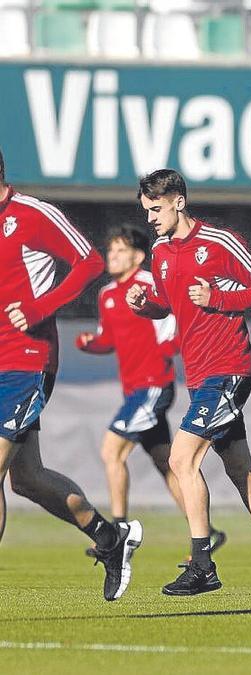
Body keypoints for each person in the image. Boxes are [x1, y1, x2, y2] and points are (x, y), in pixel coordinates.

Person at [128, 169, 251, 596]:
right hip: (198, 375)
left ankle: (202, 565)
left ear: (178, 201)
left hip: (228, 369)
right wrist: (145, 305)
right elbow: (167, 306)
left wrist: (218, 299)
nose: (151, 218)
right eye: (146, 211)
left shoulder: (220, 242)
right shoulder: (160, 251)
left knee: (181, 460)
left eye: (156, 209)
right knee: (239, 470)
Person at [0, 147, 141, 601]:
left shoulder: (33, 214)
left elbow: (91, 262)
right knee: (26, 479)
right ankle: (110, 539)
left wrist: (39, 309)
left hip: (27, 361)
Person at [77, 224, 226, 559]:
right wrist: (90, 343)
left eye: (119, 250)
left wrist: (167, 348)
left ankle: (116, 534)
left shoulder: (147, 285)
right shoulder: (108, 294)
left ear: (139, 256)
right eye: (110, 250)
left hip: (153, 386)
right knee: (168, 465)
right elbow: (108, 340)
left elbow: (175, 325)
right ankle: (207, 534)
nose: (111, 255)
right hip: (134, 391)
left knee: (111, 450)